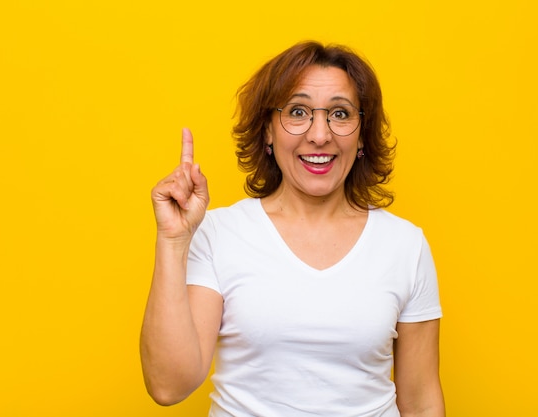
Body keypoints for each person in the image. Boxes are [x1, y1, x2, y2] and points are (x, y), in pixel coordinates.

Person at [140, 41, 445, 417]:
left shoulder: (405, 245)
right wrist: (173, 241)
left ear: (362, 133)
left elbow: (421, 401)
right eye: (298, 112)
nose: (319, 135)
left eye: (340, 113)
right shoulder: (219, 233)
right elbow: (169, 385)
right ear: (268, 131)